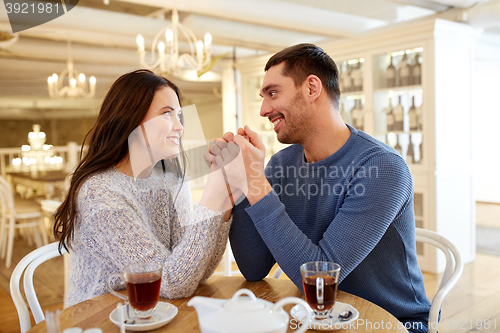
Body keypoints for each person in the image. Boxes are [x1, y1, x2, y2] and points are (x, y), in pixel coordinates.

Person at [216, 44, 431, 332]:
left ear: (312, 88)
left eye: (272, 92)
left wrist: (255, 181)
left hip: (390, 322)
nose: (264, 109)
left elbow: (320, 279)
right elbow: (254, 269)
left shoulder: (381, 168)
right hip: (314, 317)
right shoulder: (282, 163)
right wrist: (240, 182)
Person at [53, 69, 239, 307]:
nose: (180, 127)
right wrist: (213, 196)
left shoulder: (171, 181)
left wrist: (224, 203)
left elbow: (195, 272)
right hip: (101, 317)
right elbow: (170, 283)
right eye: (166, 114)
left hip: (154, 312)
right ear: (130, 119)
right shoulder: (100, 193)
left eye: (179, 115)